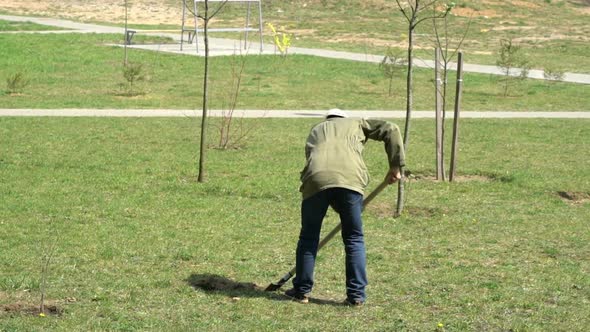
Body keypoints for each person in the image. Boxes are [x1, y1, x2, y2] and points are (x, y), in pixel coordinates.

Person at [285, 109, 405, 306]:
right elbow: (391, 128)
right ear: (344, 118)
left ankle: (301, 291)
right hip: (350, 181)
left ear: (328, 120)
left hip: (316, 180)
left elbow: (318, 165)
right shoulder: (357, 123)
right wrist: (395, 165)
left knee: (308, 237)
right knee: (354, 237)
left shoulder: (316, 130)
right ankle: (356, 295)